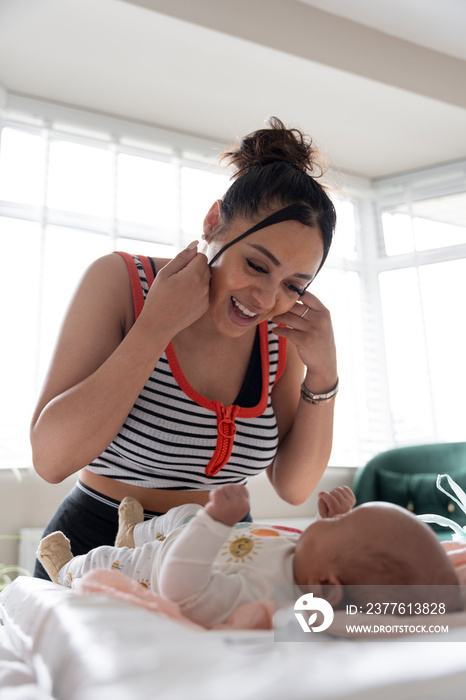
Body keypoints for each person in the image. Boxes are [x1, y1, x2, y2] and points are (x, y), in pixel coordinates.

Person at [30, 117, 339, 579]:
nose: (265, 299)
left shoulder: (279, 332)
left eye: (293, 285)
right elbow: (51, 461)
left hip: (222, 557)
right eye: (256, 265)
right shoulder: (120, 282)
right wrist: (155, 327)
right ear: (214, 223)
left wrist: (324, 375)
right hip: (98, 550)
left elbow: (294, 487)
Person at [37, 484, 461, 628]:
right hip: (202, 536)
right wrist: (330, 521)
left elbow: (181, 591)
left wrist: (217, 522)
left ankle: (64, 569)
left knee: (103, 566)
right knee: (186, 513)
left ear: (327, 588)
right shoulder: (308, 564)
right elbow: (331, 554)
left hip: (157, 568)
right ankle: (133, 533)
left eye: (337, 525)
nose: (329, 522)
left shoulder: (265, 599)